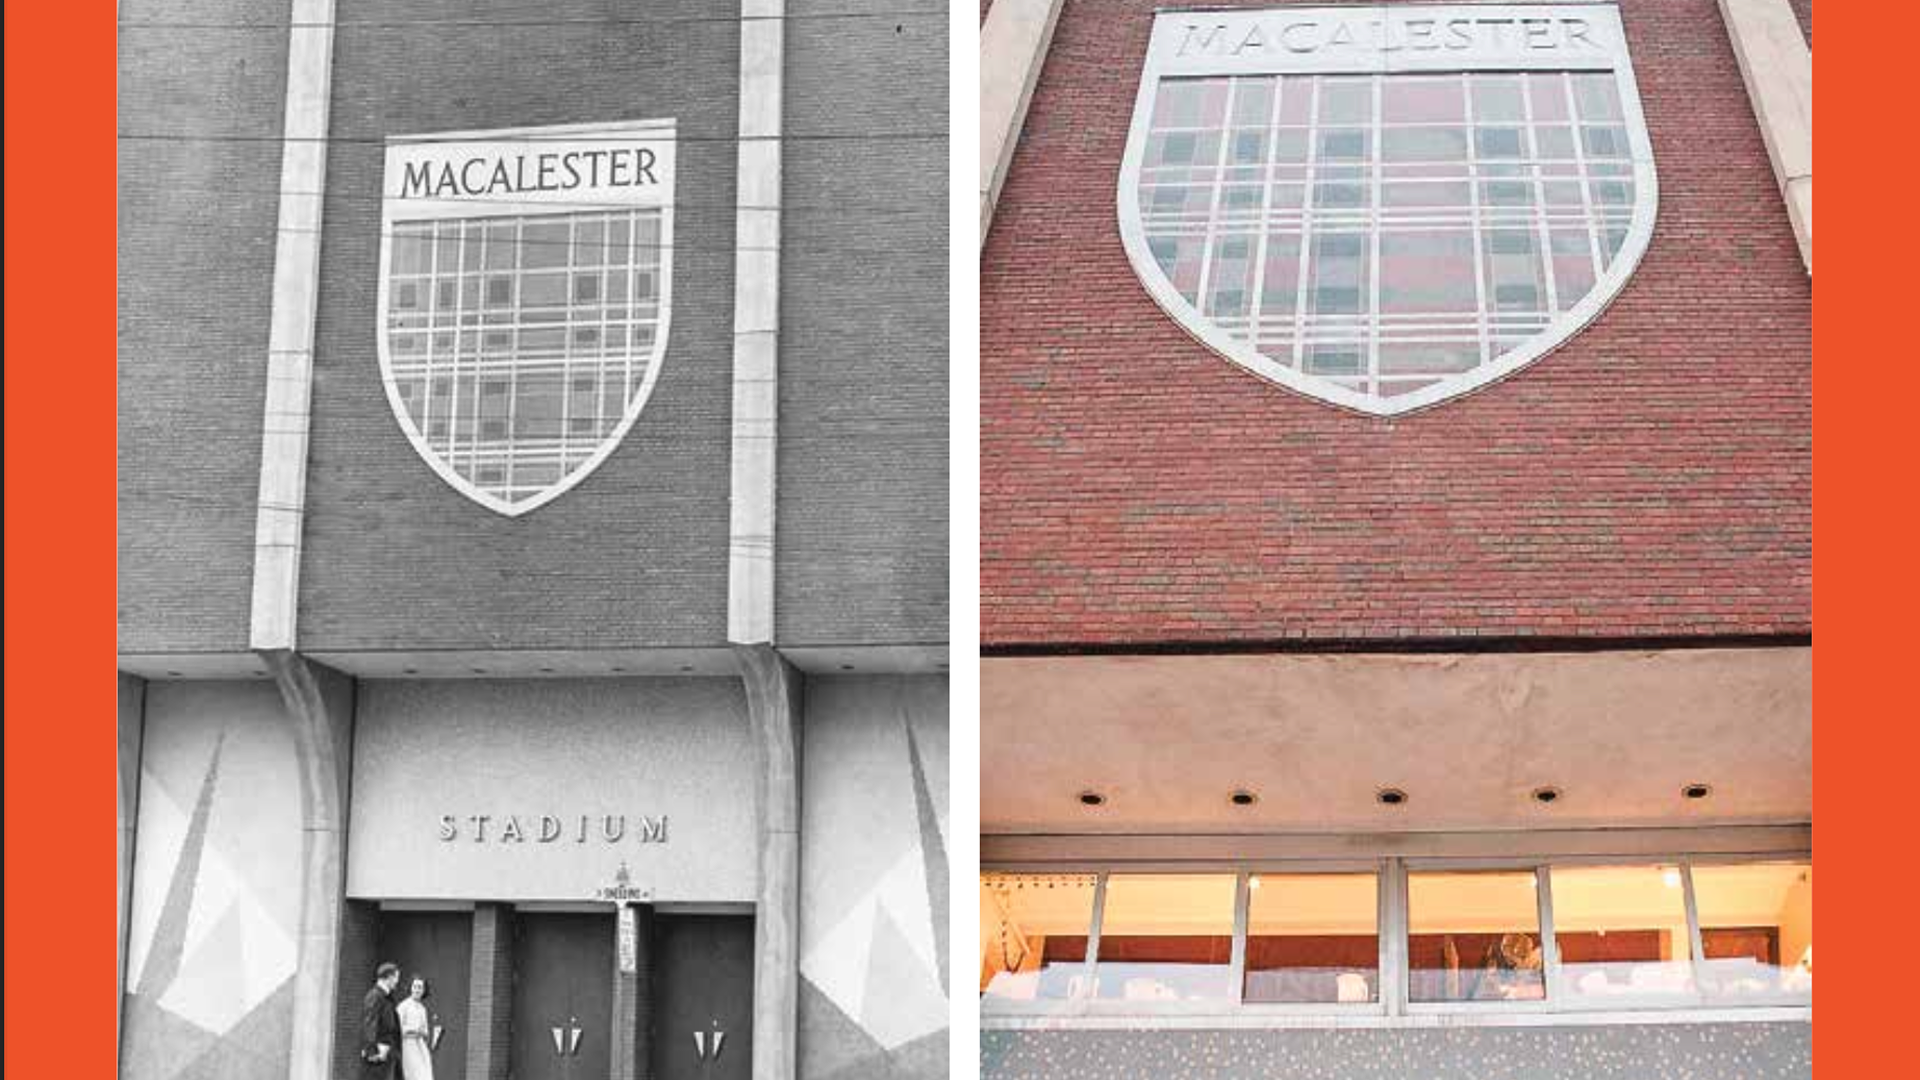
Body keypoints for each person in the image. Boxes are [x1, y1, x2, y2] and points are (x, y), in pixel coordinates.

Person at [360, 962, 402, 1077]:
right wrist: (372, 1051)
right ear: (389, 977)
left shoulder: (387, 997)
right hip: (379, 1054)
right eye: (396, 977)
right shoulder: (375, 996)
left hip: (389, 1053)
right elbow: (369, 1023)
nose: (397, 981)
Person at [397, 974, 436, 1080]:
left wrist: (422, 1033)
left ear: (424, 990)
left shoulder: (422, 1009)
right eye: (415, 986)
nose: (417, 990)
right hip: (407, 1045)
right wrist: (412, 1030)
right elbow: (397, 1028)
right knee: (412, 1075)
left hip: (420, 1045)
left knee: (425, 1074)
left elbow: (426, 1031)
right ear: (411, 988)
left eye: (420, 987)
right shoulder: (403, 1006)